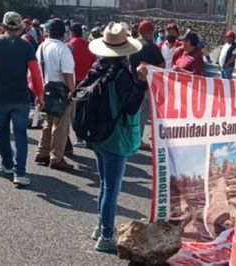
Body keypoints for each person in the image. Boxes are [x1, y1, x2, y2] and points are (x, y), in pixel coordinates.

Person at [83, 21, 147, 252]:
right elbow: (130, 107)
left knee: (104, 185)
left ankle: (101, 227)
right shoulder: (121, 75)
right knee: (111, 188)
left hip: (98, 135)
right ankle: (107, 235)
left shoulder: (97, 69)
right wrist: (140, 83)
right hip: (116, 136)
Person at [0, 12, 44, 186]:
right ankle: (19, 172)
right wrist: (39, 94)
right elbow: (35, 73)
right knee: (21, 134)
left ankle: (7, 164)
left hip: (0, 96)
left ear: (4, 27)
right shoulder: (26, 46)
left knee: (3, 131)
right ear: (20, 28)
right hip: (20, 97)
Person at [34, 19, 76, 171]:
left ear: (48, 32)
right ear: (63, 33)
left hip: (45, 88)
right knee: (60, 126)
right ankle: (56, 157)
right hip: (60, 91)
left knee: (48, 121)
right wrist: (73, 91)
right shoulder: (62, 49)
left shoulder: (42, 47)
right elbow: (67, 75)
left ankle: (42, 152)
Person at [128, 20, 165, 151]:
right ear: (148, 32)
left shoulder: (132, 45)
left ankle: (131, 138)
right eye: (151, 32)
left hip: (132, 83)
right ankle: (137, 140)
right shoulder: (151, 47)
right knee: (142, 115)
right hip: (147, 85)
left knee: (133, 113)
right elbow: (162, 65)